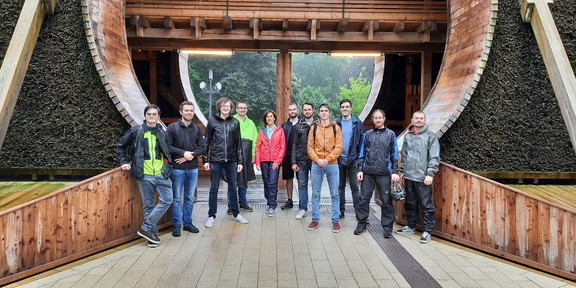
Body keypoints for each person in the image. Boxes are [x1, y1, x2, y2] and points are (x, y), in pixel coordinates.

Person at [116, 104, 173, 248]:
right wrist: (123, 162)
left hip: (161, 174)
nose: (152, 117)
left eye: (154, 114)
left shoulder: (163, 132)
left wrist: (167, 166)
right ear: (145, 116)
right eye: (149, 114)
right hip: (144, 175)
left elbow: (167, 152)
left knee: (167, 199)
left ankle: (146, 227)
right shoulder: (136, 131)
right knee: (148, 205)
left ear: (158, 117)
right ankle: (152, 236)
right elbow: (121, 146)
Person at [202, 97, 249, 228]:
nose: (225, 108)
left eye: (227, 106)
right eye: (223, 106)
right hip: (216, 160)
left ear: (231, 108)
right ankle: (211, 215)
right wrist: (205, 159)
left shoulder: (235, 122)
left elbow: (238, 143)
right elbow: (207, 141)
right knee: (214, 188)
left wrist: (239, 161)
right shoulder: (212, 121)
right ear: (219, 107)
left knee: (233, 187)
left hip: (231, 160)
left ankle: (236, 213)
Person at [396, 111, 440, 244]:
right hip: (409, 176)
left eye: (421, 118)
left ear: (425, 120)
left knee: (426, 205)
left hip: (423, 177)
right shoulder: (408, 136)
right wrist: (402, 171)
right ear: (412, 120)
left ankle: (427, 231)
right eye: (416, 118)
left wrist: (430, 174)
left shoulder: (431, 136)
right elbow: (404, 155)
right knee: (410, 203)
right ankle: (411, 226)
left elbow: (434, 157)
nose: (419, 120)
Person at [355, 110, 400, 238]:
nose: (378, 120)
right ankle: (362, 223)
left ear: (384, 119)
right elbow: (362, 153)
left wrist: (395, 172)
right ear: (373, 119)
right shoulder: (367, 134)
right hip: (368, 173)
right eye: (376, 118)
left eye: (380, 118)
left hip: (384, 173)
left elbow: (394, 154)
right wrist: (360, 170)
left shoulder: (390, 134)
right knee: (363, 199)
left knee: (386, 200)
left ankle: (387, 227)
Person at [167, 101, 205, 237]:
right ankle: (176, 225)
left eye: (191, 110)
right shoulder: (172, 128)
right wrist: (183, 153)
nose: (189, 113)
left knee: (189, 198)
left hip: (193, 169)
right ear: (181, 112)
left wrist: (190, 156)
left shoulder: (197, 129)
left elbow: (202, 147)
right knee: (176, 198)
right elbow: (168, 147)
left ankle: (187, 223)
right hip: (177, 169)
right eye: (187, 110)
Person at [307, 104, 343, 233]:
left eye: (326, 111)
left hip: (332, 164)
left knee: (334, 194)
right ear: (318, 113)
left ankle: (335, 221)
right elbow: (310, 146)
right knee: (315, 193)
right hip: (317, 164)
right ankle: (315, 219)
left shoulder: (336, 128)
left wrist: (327, 159)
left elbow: (339, 147)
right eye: (321, 111)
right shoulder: (314, 128)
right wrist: (317, 159)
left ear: (329, 113)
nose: (323, 113)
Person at [227, 101, 258, 215]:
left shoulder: (251, 123)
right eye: (240, 108)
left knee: (244, 180)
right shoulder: (231, 121)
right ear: (236, 109)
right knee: (232, 181)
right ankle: (231, 205)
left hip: (247, 154)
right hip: (234, 154)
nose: (242, 110)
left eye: (244, 108)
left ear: (247, 110)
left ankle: (243, 202)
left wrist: (254, 155)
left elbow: (255, 140)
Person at [336, 99, 364, 219]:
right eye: (343, 107)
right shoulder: (336, 123)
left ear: (351, 108)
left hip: (353, 159)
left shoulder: (357, 123)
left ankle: (359, 214)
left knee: (355, 187)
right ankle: (340, 211)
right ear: (340, 109)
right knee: (340, 187)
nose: (345, 109)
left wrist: (359, 159)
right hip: (339, 159)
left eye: (347, 107)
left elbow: (362, 142)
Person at [255, 110, 286, 217]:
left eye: (271, 116)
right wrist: (257, 162)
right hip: (264, 161)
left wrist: (278, 161)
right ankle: (268, 202)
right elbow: (258, 147)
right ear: (265, 119)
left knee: (272, 183)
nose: (269, 118)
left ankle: (272, 206)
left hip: (274, 161)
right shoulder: (262, 130)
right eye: (267, 117)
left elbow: (282, 147)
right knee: (266, 182)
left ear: (274, 118)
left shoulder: (279, 130)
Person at [291, 103, 317, 219]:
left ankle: (316, 209)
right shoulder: (298, 126)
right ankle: (303, 208)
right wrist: (293, 161)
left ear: (313, 110)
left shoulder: (318, 125)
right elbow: (294, 145)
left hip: (315, 160)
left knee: (316, 185)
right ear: (302, 111)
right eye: (305, 110)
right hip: (301, 160)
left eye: (309, 109)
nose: (307, 112)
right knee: (302, 185)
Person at [280, 103, 299, 210]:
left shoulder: (303, 124)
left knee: (301, 180)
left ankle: (302, 201)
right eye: (290, 110)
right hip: (287, 156)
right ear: (288, 112)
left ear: (297, 111)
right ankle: (290, 200)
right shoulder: (284, 126)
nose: (292, 111)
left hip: (299, 156)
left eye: (294, 109)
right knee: (289, 179)